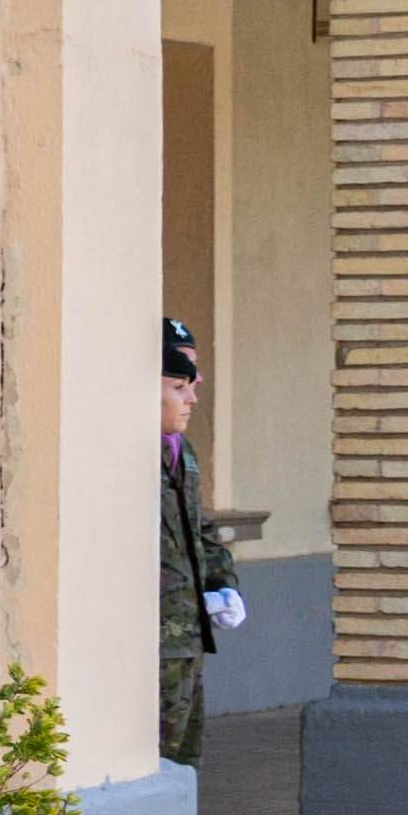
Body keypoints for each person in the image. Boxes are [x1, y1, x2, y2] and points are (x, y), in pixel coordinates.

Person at [161, 317, 239, 765]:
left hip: (187, 639)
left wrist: (222, 584)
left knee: (183, 763)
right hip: (149, 644)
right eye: (181, 378)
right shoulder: (127, 451)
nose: (195, 389)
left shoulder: (182, 449)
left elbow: (200, 528)